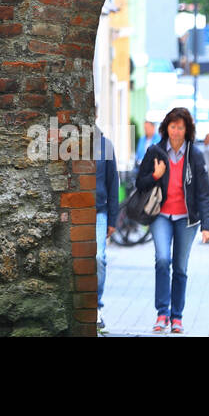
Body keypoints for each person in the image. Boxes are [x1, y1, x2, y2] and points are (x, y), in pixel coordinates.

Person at [135, 107, 209, 333]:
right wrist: (155, 176)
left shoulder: (195, 156)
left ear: (187, 130)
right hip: (161, 216)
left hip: (187, 220)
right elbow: (140, 183)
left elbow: (204, 193)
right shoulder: (155, 152)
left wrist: (207, 226)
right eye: (172, 126)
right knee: (162, 259)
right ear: (166, 128)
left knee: (180, 267)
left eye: (181, 127)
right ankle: (162, 313)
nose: (176, 131)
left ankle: (177, 316)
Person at [93, 127, 118, 332]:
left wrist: (113, 218)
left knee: (98, 258)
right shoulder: (69, 143)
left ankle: (97, 306)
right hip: (74, 211)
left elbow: (113, 182)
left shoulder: (105, 145)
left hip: (99, 211)